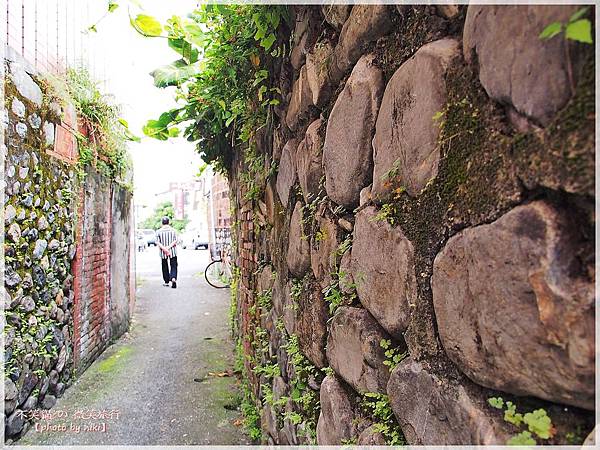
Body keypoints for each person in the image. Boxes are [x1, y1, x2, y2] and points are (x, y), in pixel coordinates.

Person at [155, 216, 178, 288]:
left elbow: (157, 242)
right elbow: (176, 240)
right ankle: (173, 278)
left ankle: (167, 281)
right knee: (173, 265)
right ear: (169, 222)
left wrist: (165, 249)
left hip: (163, 252)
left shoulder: (158, 231)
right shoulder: (173, 230)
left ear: (162, 223)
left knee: (164, 266)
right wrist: (168, 248)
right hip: (172, 251)